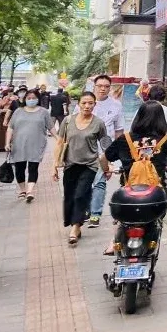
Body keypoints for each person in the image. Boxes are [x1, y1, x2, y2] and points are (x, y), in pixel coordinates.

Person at [103, 101, 167, 255]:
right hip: (155, 194)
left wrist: (106, 169)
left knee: (123, 219)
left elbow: (104, 158)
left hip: (128, 194)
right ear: (161, 119)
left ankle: (114, 242)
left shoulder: (125, 139)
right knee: (155, 220)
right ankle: (151, 243)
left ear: (138, 117)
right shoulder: (165, 139)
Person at [52, 92, 112, 246]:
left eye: (90, 103)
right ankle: (75, 224)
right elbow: (59, 143)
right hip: (70, 164)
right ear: (78, 104)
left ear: (94, 105)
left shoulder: (98, 123)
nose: (87, 106)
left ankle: (74, 228)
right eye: (84, 103)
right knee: (70, 196)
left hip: (90, 165)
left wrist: (108, 165)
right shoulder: (67, 121)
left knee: (80, 195)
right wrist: (54, 166)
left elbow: (105, 145)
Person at [84, 75, 123, 228]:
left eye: (106, 86)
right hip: (84, 150)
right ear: (94, 86)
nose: (103, 89)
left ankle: (95, 214)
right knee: (85, 182)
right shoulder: (86, 102)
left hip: (105, 151)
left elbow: (119, 131)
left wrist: (115, 156)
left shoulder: (116, 105)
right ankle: (86, 209)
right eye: (100, 86)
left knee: (99, 183)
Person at [5, 88, 53, 201]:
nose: (31, 100)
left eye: (34, 98)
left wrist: (58, 138)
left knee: (33, 167)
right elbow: (10, 128)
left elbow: (51, 127)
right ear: (25, 99)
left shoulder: (43, 112)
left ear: (38, 99)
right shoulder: (18, 111)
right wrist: (7, 142)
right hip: (18, 144)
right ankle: (23, 190)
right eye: (29, 98)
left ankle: (30, 191)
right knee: (19, 168)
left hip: (36, 144)